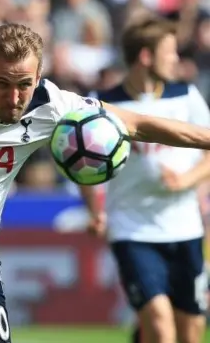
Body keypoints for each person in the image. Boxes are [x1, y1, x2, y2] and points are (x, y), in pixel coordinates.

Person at [0, 21, 210, 343]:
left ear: (38, 77)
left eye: (24, 85)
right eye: (3, 83)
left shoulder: (53, 105)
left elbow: (139, 124)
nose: (15, 98)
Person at [82, 17, 209, 343]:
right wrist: (94, 210)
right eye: (169, 52)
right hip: (132, 229)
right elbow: (81, 160)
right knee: (160, 323)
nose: (176, 60)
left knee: (190, 332)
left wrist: (187, 179)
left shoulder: (186, 96)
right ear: (145, 57)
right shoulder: (104, 103)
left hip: (185, 228)